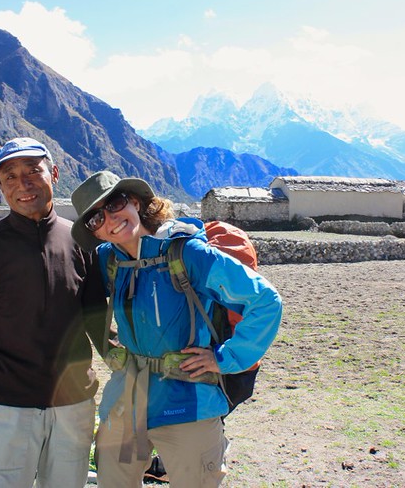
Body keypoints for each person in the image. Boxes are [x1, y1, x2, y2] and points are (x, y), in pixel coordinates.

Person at [70, 170, 283, 488]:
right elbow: (77, 298)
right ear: (94, 232)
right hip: (128, 397)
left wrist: (223, 358)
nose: (110, 219)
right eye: (95, 218)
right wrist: (110, 350)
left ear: (136, 202)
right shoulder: (108, 261)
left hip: (188, 401)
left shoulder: (188, 254)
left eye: (115, 203)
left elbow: (264, 301)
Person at [0, 137, 107, 487]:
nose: (23, 184)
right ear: (1, 187)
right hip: (7, 409)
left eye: (33, 172)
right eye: (10, 176)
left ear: (54, 174)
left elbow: (100, 323)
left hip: (74, 407)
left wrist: (142, 374)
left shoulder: (82, 242)